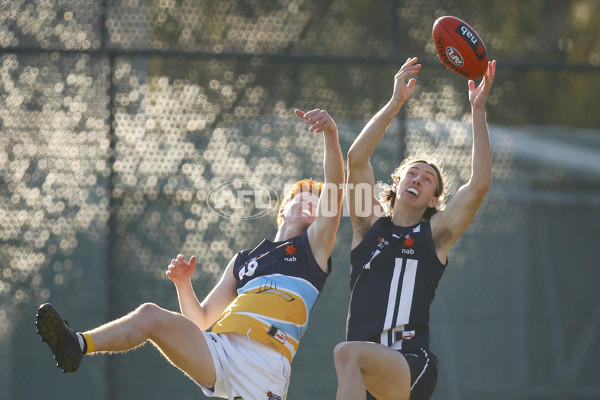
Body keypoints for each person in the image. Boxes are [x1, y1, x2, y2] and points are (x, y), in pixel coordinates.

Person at [36, 107, 344, 400]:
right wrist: (183, 285)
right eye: (304, 197)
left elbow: (335, 188)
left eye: (317, 203)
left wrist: (330, 133)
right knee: (149, 315)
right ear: (282, 209)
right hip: (219, 350)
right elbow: (201, 320)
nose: (312, 204)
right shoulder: (244, 260)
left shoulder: (312, 250)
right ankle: (77, 344)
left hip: (265, 366)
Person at [333, 57, 496, 400]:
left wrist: (478, 110)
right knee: (351, 355)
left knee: (346, 352)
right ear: (396, 182)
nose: (418, 179)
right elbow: (357, 159)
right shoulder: (367, 227)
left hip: (411, 362)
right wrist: (396, 102)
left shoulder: (433, 237)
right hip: (369, 375)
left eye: (427, 180)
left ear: (433, 201)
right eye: (412, 173)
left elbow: (479, 184)